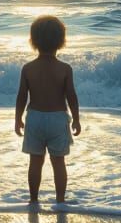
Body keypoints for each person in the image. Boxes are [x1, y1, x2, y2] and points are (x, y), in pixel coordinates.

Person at [14, 14, 82, 203]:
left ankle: (33, 200)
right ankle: (60, 200)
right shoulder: (65, 69)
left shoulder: (28, 68)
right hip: (57, 119)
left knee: (35, 162)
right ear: (61, 41)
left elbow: (21, 96)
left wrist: (17, 119)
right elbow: (71, 96)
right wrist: (76, 118)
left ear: (33, 41)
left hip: (34, 118)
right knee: (58, 163)